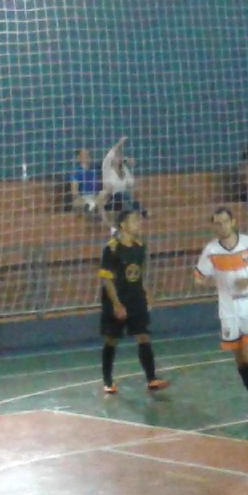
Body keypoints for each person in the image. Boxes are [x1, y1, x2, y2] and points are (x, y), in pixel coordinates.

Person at [196, 206, 248, 416]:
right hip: (229, 310)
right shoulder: (211, 251)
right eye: (217, 223)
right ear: (213, 226)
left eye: (225, 221)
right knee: (240, 360)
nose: (222, 226)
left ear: (233, 222)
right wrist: (211, 281)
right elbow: (198, 277)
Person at [98, 209, 167, 397]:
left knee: (143, 335)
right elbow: (107, 279)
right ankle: (107, 380)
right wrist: (116, 304)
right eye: (134, 220)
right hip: (117, 300)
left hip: (136, 299)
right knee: (111, 338)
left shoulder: (140, 246)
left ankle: (151, 378)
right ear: (123, 225)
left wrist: (146, 293)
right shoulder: (111, 248)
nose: (138, 224)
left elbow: (139, 273)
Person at [100, 138, 139, 218]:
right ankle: (141, 212)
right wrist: (120, 143)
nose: (119, 157)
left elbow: (131, 183)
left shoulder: (124, 169)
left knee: (126, 196)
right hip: (110, 198)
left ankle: (130, 212)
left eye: (120, 155)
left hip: (123, 198)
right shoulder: (107, 167)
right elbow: (109, 155)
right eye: (116, 156)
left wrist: (127, 161)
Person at [67, 147, 102, 217]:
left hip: (96, 197)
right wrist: (85, 201)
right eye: (85, 155)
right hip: (83, 198)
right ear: (79, 158)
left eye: (88, 154)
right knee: (78, 203)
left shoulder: (96, 169)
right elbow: (74, 192)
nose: (88, 157)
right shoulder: (76, 172)